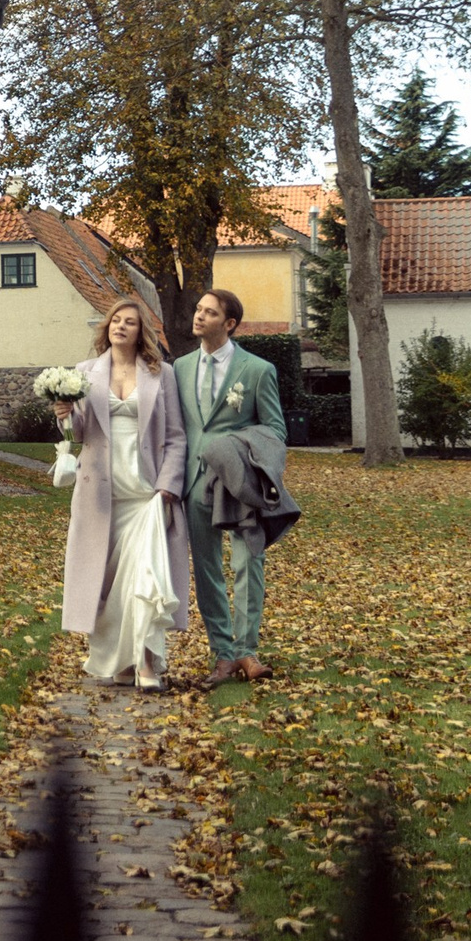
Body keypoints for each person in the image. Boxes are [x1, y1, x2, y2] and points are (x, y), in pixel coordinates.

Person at [57, 298, 190, 692]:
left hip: (147, 493)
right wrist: (63, 414)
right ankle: (122, 661)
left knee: (146, 577)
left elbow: (176, 437)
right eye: (116, 319)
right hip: (100, 492)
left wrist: (169, 484)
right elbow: (78, 435)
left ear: (140, 332)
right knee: (111, 583)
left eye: (130, 322)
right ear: (107, 327)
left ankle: (148, 662)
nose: (121, 326)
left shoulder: (160, 374)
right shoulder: (84, 373)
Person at [174, 288, 288, 686]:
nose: (199, 316)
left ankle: (247, 651)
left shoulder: (258, 370)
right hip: (195, 483)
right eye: (199, 310)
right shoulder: (180, 368)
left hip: (240, 485)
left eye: (209, 312)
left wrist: (238, 448)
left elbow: (275, 430)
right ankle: (222, 655)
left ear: (230, 324)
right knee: (207, 571)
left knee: (247, 564)